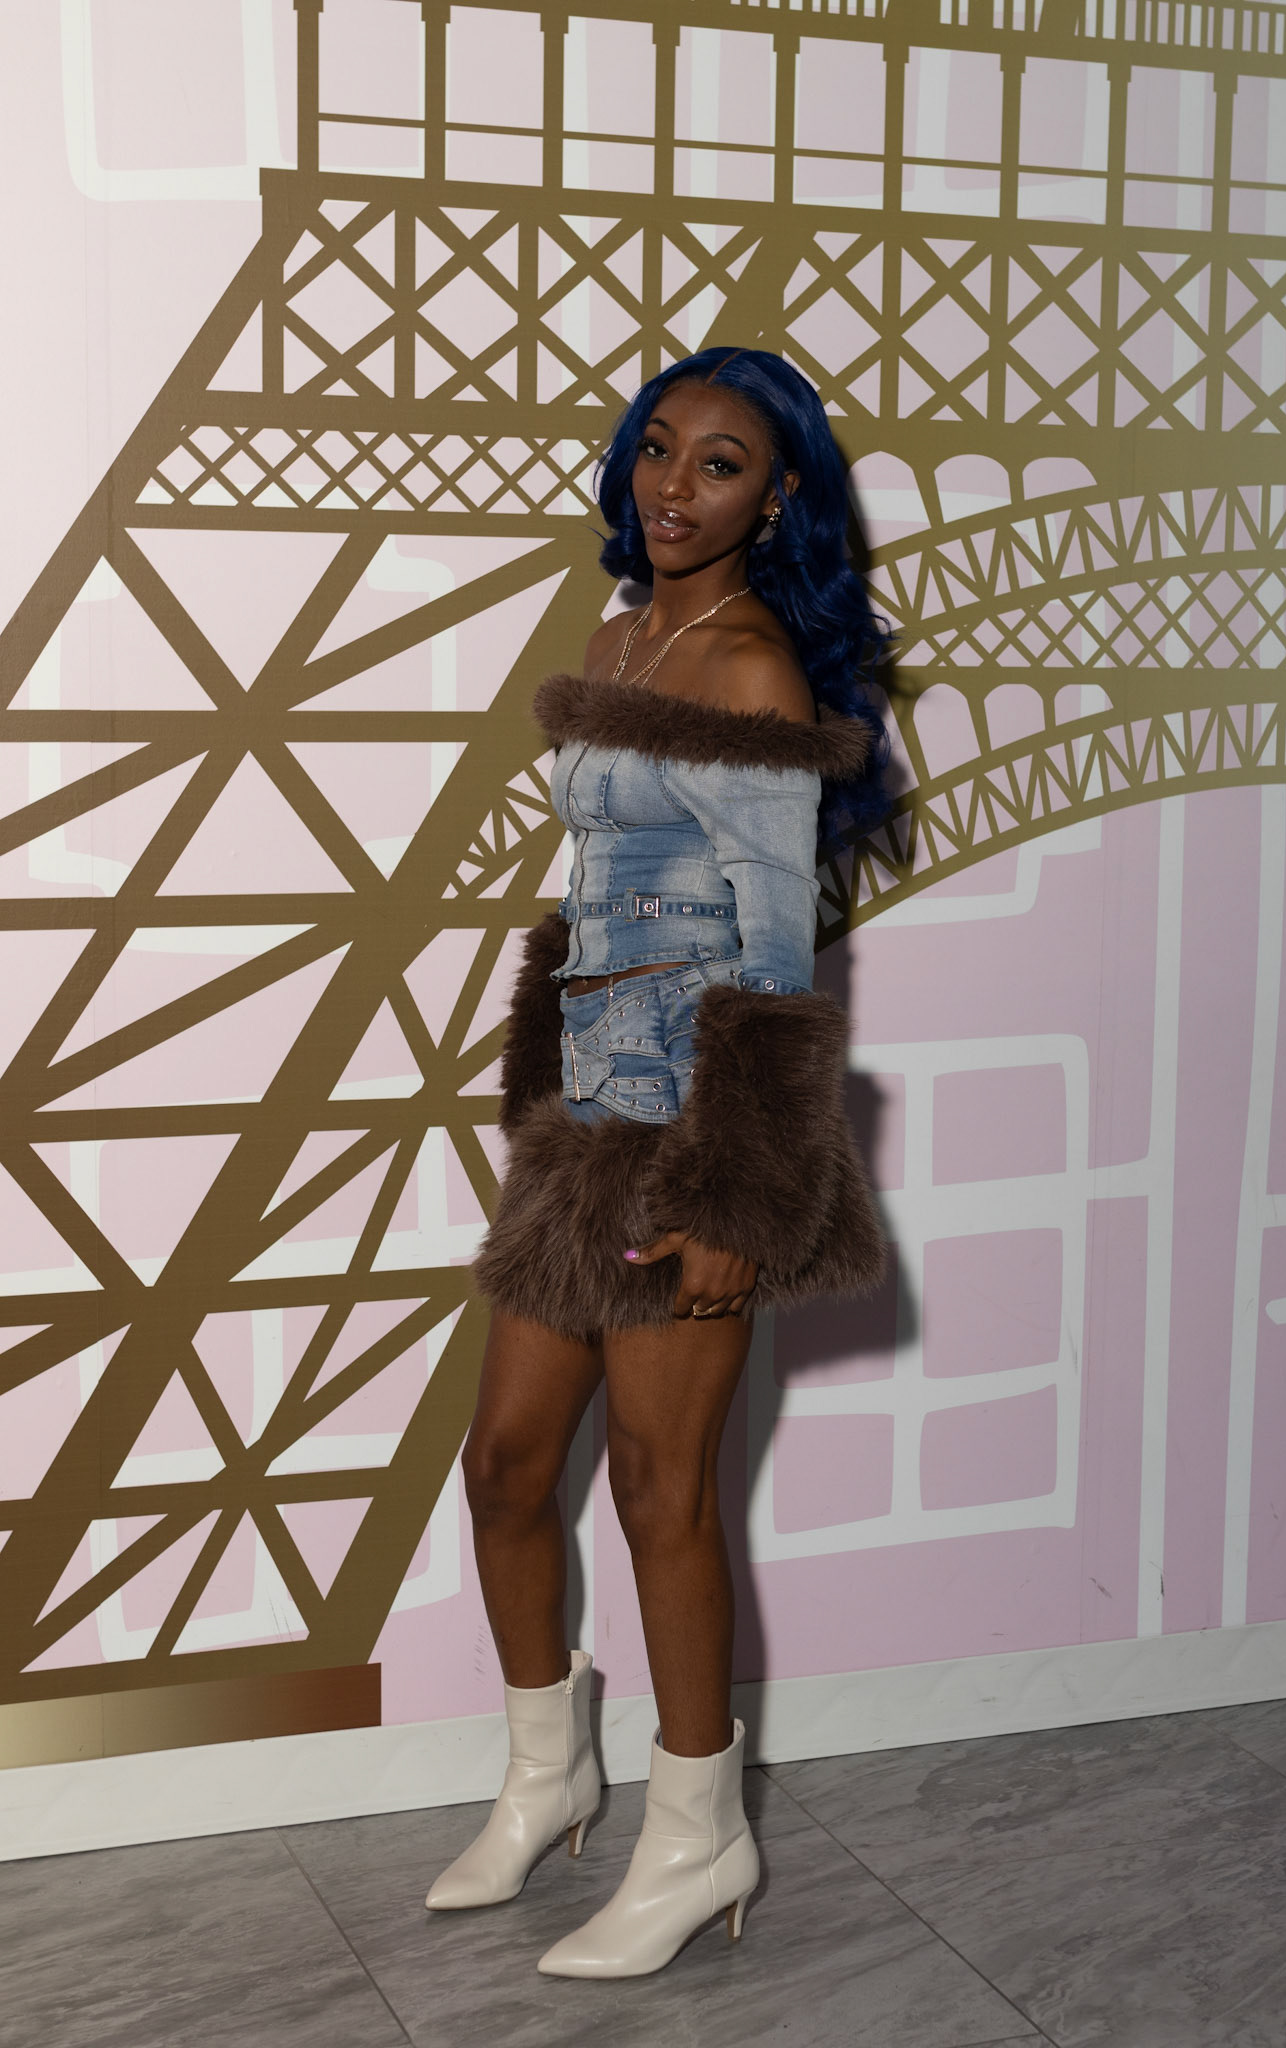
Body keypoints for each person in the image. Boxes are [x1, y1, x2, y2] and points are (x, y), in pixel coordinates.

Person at [425, 346, 890, 1978]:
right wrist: (549, 1089)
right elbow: (598, 891)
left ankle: (697, 1836)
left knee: (655, 1487)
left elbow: (769, 955)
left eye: (720, 463)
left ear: (779, 496)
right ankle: (545, 1779)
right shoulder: (624, 634)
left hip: (692, 1133)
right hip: (585, 1125)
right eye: (657, 449)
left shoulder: (753, 667)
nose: (673, 487)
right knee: (502, 1469)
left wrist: (733, 1193)